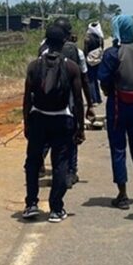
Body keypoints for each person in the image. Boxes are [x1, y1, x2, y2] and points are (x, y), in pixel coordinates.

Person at [22, 24, 85, 222]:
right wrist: (80, 127)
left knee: (33, 163)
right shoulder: (71, 67)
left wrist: (26, 123)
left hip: (38, 119)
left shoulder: (33, 66)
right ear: (64, 42)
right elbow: (78, 101)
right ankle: (56, 208)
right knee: (60, 164)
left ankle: (31, 204)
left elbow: (26, 99)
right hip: (62, 120)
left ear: (46, 41)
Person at [98, 14, 133, 209]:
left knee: (118, 148)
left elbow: (103, 80)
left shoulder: (112, 54)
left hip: (117, 106)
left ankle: (122, 195)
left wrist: (109, 91)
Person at [38, 17, 93, 185]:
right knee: (70, 137)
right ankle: (70, 171)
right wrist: (89, 104)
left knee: (46, 135)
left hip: (46, 101)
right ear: (66, 35)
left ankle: (40, 163)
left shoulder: (42, 50)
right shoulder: (76, 52)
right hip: (68, 101)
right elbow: (84, 80)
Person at [84, 21, 105, 106]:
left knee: (90, 80)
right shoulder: (100, 38)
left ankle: (93, 99)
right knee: (96, 80)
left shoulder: (87, 39)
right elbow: (102, 49)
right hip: (98, 60)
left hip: (90, 61)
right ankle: (99, 98)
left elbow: (85, 50)